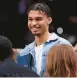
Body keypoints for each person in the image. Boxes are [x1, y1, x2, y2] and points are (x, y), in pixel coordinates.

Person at [17, 3, 72, 76]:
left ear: (49, 20)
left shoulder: (64, 45)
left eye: (38, 19)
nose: (33, 23)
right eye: (30, 19)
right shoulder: (24, 52)